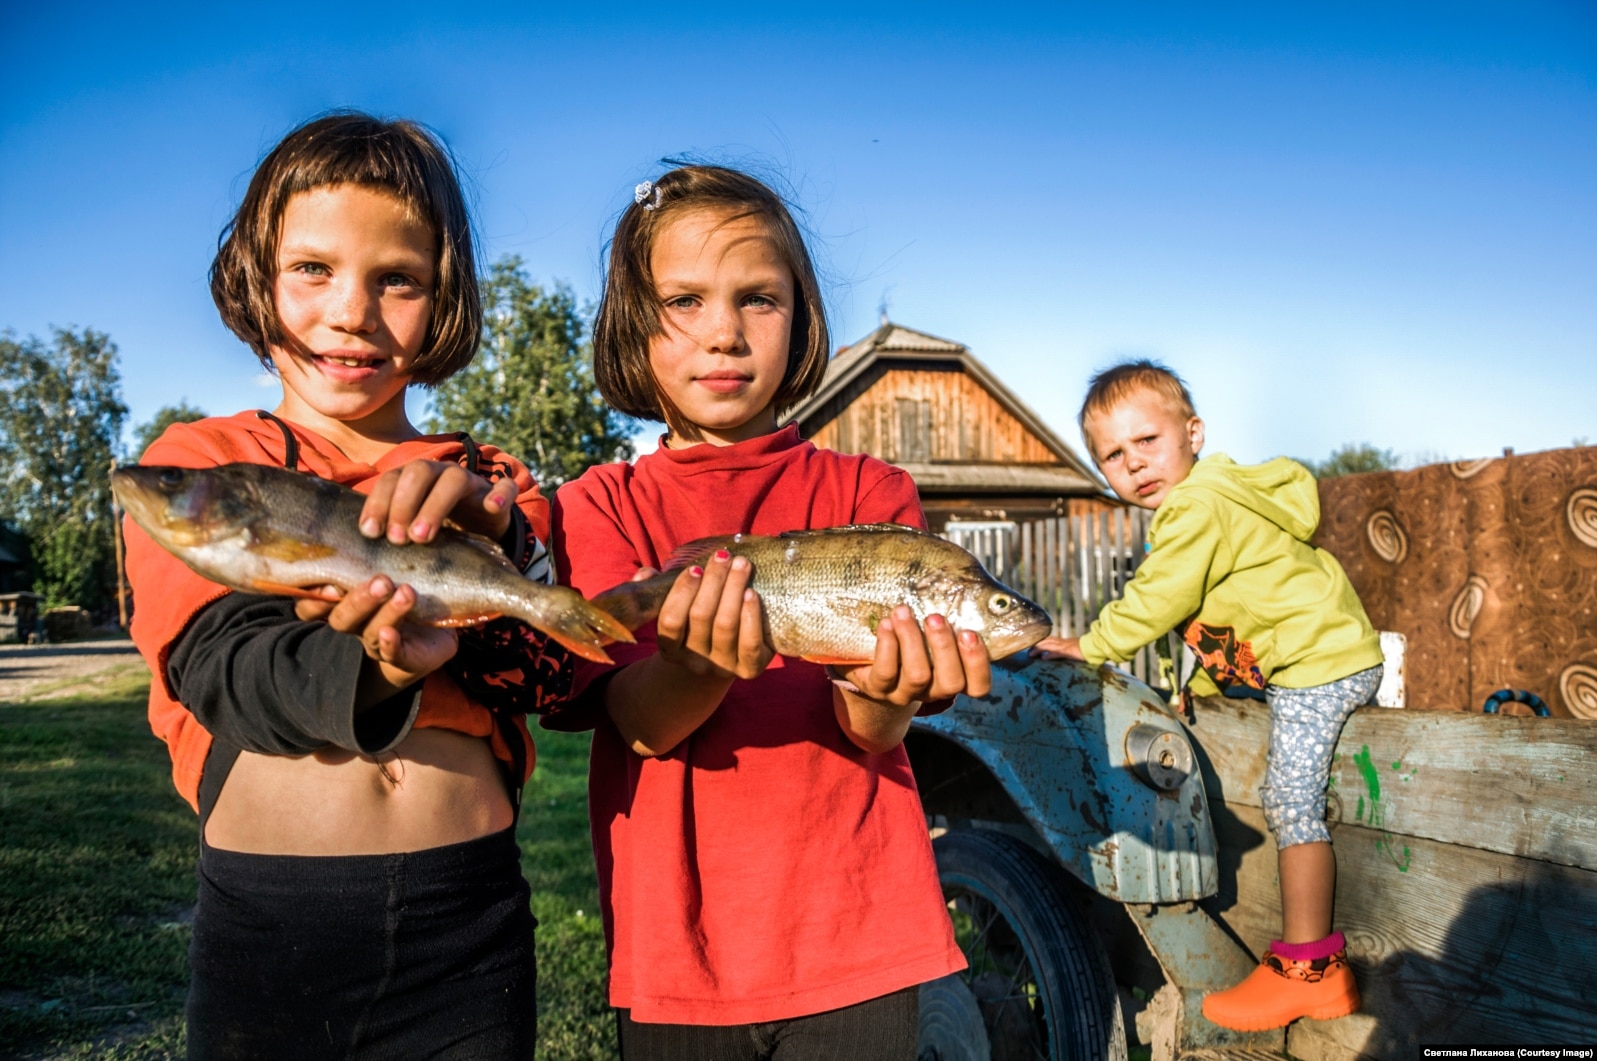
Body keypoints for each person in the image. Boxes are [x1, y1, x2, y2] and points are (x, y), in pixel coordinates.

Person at [125, 111, 565, 1059]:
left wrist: (500, 546)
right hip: (275, 934)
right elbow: (227, 674)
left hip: (468, 923)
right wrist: (381, 667)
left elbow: (553, 673)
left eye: (396, 278)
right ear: (255, 276)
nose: (352, 311)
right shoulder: (202, 471)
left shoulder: (486, 481)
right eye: (312, 268)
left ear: (444, 296)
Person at [549, 165, 985, 1059]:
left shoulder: (872, 490)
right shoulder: (598, 505)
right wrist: (691, 666)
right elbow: (636, 722)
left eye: (758, 299)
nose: (724, 331)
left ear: (802, 316)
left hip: (861, 934)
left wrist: (887, 688)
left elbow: (870, 730)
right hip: (680, 946)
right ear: (633, 324)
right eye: (683, 299)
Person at [1033, 360, 1384, 1032]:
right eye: (1113, 454)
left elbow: (1159, 599)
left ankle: (1309, 965)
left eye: (1147, 441)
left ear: (1191, 433)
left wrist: (1091, 643)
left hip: (1318, 663)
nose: (1133, 464)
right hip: (1311, 655)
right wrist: (1197, 685)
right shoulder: (1199, 505)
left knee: (1289, 799)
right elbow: (1214, 621)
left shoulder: (1196, 506)